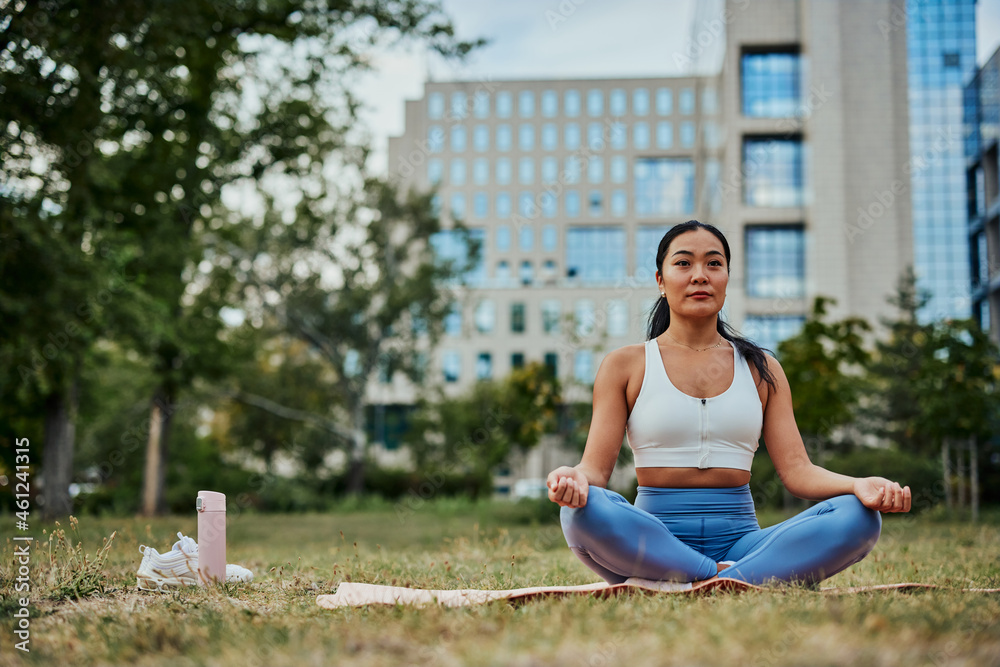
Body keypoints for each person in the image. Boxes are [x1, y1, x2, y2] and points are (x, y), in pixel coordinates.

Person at [547, 220, 912, 586]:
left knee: (859, 516)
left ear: (727, 278)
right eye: (684, 263)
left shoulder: (762, 368)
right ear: (660, 280)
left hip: (744, 543)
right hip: (655, 538)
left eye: (714, 264)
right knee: (580, 512)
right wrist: (573, 478)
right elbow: (594, 471)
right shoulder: (625, 365)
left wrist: (859, 485)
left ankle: (699, 578)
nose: (700, 276)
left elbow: (799, 471)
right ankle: (729, 579)